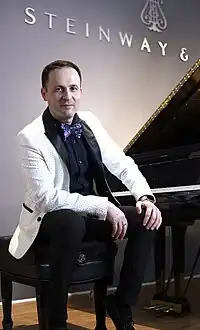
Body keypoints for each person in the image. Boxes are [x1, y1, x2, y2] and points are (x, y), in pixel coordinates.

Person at [9, 60, 162, 330]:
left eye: (73, 88)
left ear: (81, 91)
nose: (67, 96)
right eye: (58, 89)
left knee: (146, 219)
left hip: (88, 212)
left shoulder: (89, 121)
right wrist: (104, 207)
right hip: (49, 218)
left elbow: (122, 163)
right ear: (44, 93)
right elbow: (47, 197)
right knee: (70, 222)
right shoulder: (30, 137)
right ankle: (56, 321)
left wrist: (145, 197)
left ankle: (122, 303)